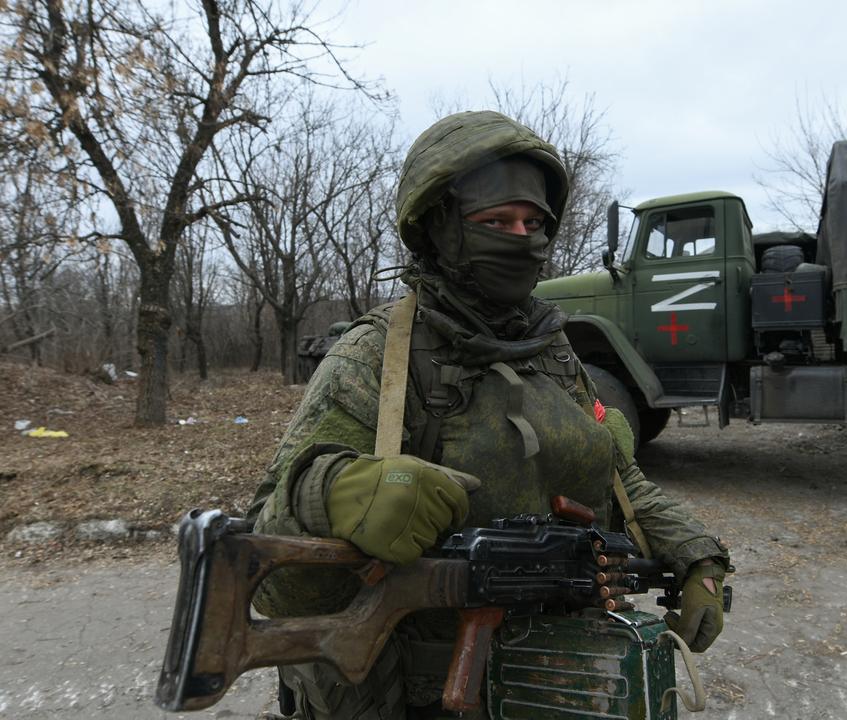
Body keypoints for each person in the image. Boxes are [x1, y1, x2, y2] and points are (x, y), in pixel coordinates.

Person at [246, 110, 731, 719]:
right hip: (421, 694)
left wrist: (698, 557)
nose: (521, 237)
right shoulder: (379, 356)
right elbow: (270, 570)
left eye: (535, 223)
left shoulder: (552, 351)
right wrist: (334, 494)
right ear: (439, 229)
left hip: (568, 680)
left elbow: (621, 481)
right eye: (496, 221)